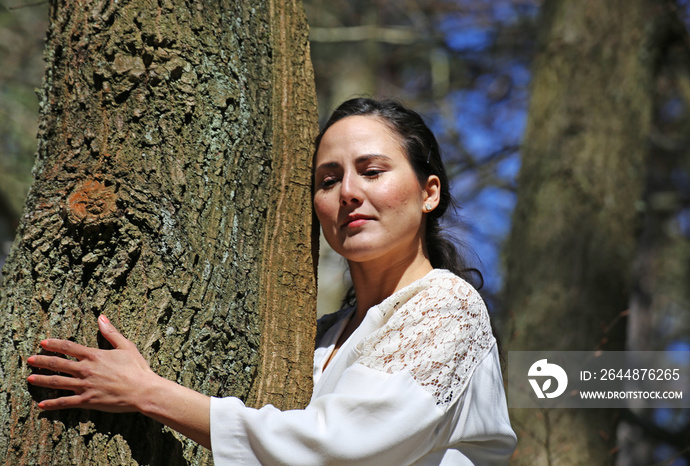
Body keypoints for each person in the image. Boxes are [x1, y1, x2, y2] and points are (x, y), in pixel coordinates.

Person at [27, 98, 517, 464]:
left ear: (429, 192)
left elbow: (338, 447)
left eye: (372, 171)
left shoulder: (448, 305)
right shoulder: (323, 335)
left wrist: (147, 393)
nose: (348, 192)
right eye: (328, 181)